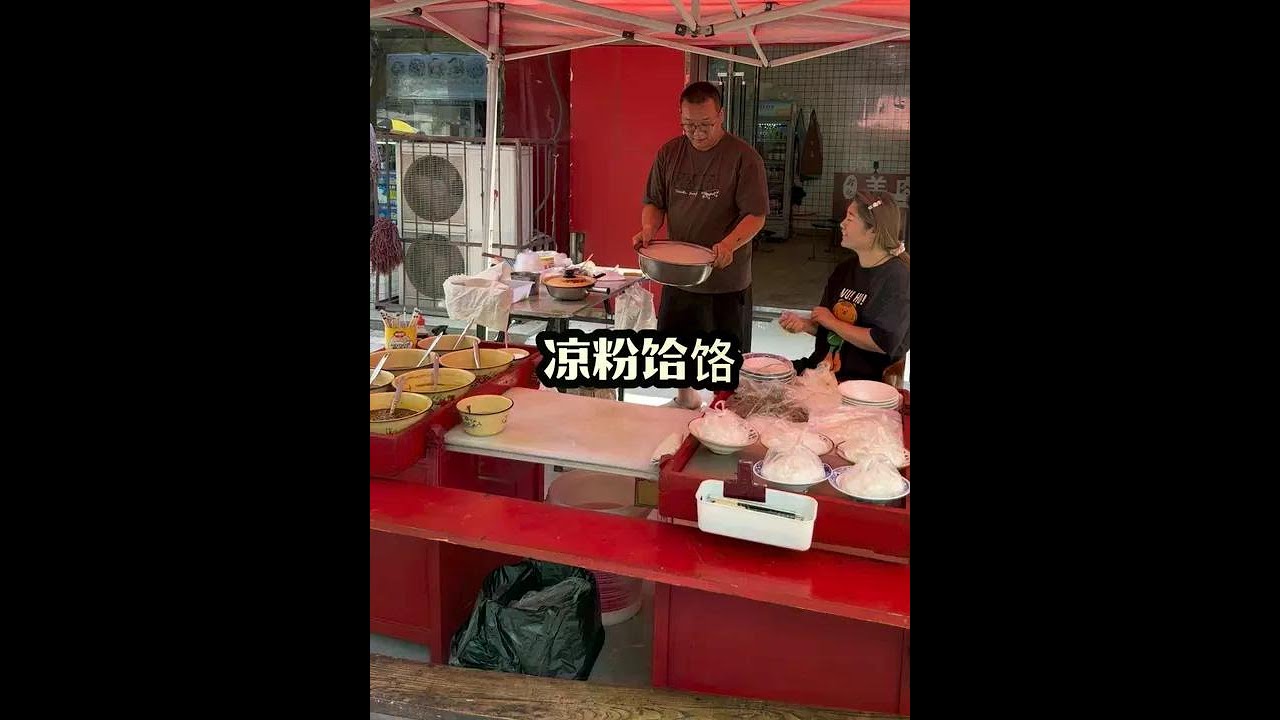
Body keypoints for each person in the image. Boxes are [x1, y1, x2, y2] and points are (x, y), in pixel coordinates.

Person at [633, 81, 769, 409]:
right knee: (675, 347)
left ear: (720, 116)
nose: (697, 132)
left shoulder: (743, 158)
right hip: (680, 273)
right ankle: (685, 399)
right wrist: (649, 228)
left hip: (725, 278)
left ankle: (723, 407)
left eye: (705, 124)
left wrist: (728, 244)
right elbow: (654, 201)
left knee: (724, 354)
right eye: (689, 125)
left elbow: (756, 215)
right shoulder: (669, 153)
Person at [781, 191, 910, 382]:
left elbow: (883, 341)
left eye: (850, 218)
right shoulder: (844, 270)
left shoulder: (897, 277)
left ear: (873, 229)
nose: (842, 224)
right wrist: (806, 325)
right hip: (821, 370)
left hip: (861, 382)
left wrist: (831, 322)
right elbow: (829, 325)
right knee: (757, 374)